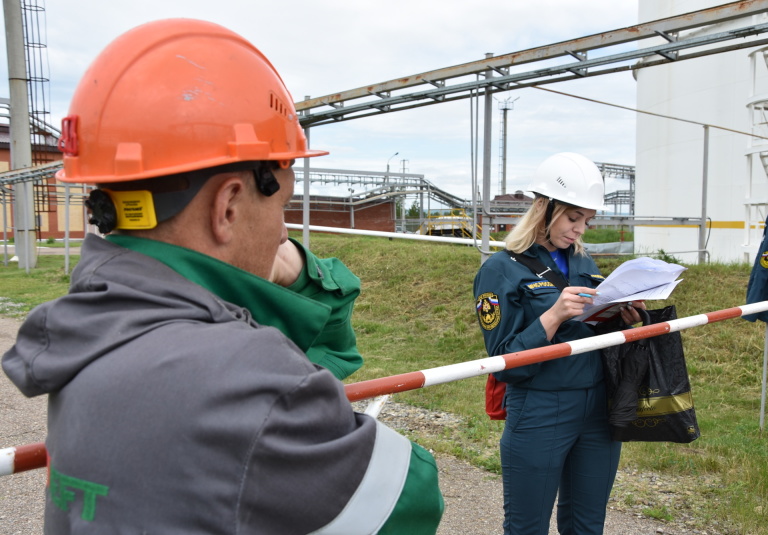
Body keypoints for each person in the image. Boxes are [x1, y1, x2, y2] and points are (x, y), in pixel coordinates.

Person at [2, 19, 443, 534]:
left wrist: (294, 276)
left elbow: (321, 359)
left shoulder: (89, 328)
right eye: (282, 204)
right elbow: (411, 501)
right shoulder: (245, 377)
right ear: (229, 205)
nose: (284, 231)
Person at [473, 152, 644, 535]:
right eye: (572, 217)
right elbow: (504, 358)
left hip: (598, 406)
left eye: (587, 220)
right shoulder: (500, 269)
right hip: (540, 406)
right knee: (527, 525)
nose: (581, 229)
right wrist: (552, 316)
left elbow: (589, 332)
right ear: (543, 208)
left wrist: (622, 316)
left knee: (587, 524)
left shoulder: (583, 263)